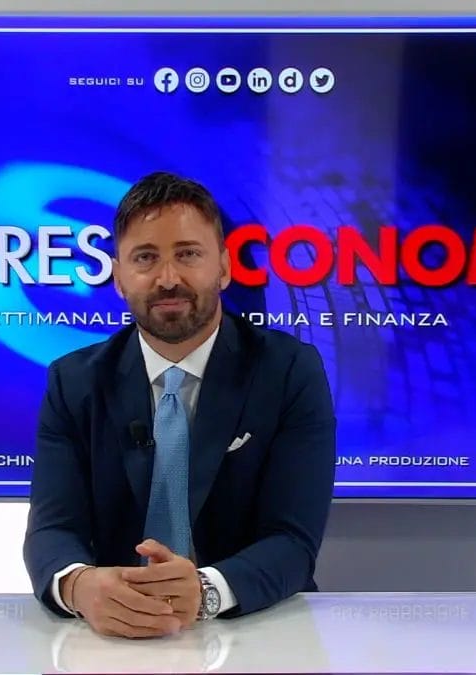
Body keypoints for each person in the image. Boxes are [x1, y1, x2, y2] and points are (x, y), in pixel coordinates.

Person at [22, 171, 336, 638]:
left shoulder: (289, 371)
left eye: (188, 254)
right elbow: (51, 530)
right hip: (111, 639)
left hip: (257, 629)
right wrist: (79, 586)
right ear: (119, 278)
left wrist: (207, 591)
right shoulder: (74, 382)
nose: (168, 279)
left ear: (224, 267)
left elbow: (293, 541)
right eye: (145, 258)